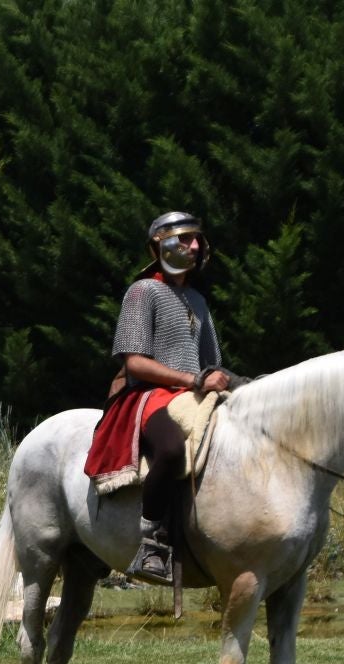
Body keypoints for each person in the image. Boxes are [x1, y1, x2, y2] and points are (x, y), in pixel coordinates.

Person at [110, 211, 229, 582]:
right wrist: (192, 380)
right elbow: (135, 364)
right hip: (148, 397)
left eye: (199, 240)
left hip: (193, 395)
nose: (196, 247)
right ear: (162, 244)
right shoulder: (142, 291)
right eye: (187, 239)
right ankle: (152, 540)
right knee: (172, 449)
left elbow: (212, 365)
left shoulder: (197, 299)